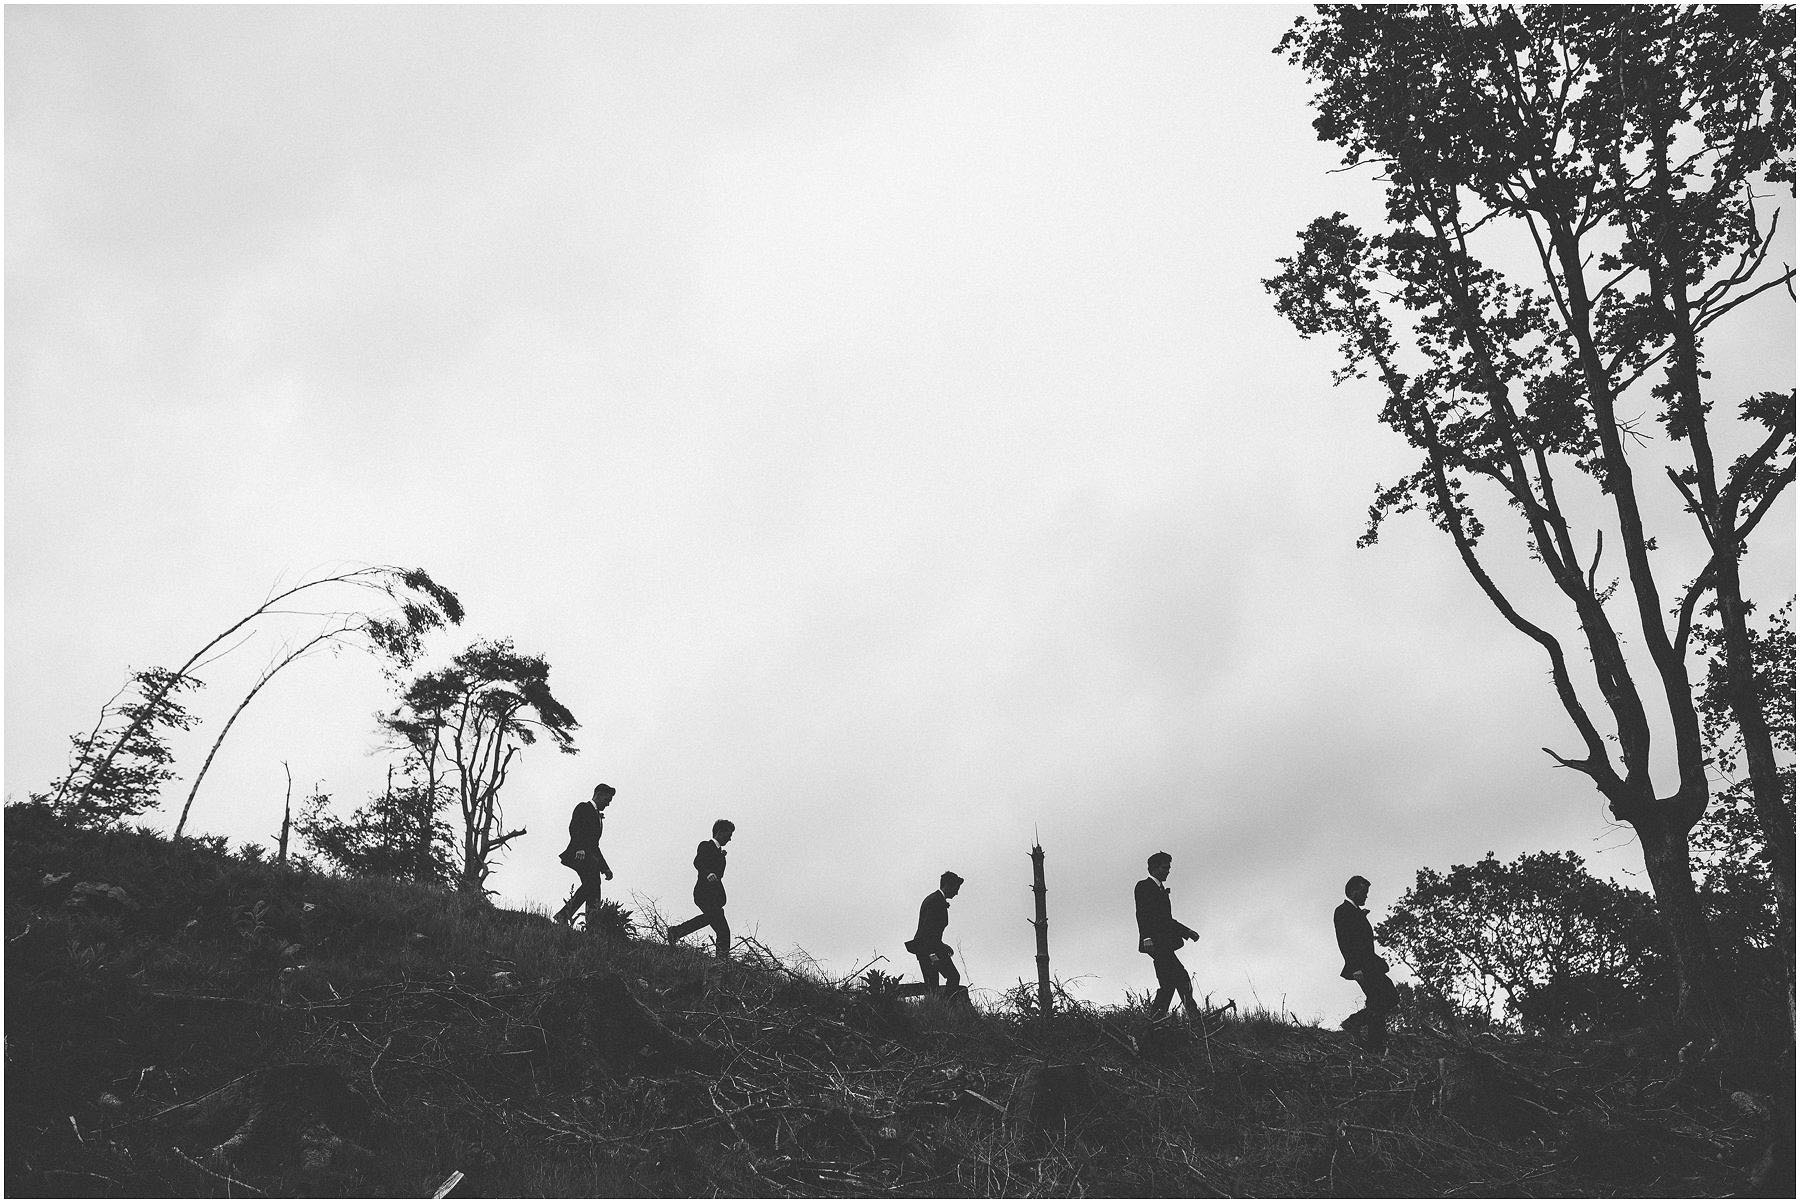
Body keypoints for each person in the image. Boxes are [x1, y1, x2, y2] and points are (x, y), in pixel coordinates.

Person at [1336, 874, 1398, 1054]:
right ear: (1353, 891)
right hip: (1361, 967)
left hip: (1369, 965)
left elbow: (1362, 942)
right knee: (1387, 997)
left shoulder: (1354, 912)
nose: (1366, 896)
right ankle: (1356, 1025)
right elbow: (1345, 941)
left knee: (1378, 1001)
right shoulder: (1342, 911)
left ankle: (1375, 1045)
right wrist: (1355, 968)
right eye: (1363, 892)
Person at [1135, 851, 1201, 1020]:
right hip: (1156, 943)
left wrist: (1186, 932)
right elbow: (1142, 914)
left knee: (1169, 984)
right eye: (1165, 867)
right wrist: (1146, 937)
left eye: (1169, 868)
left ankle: (1156, 1019)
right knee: (1180, 977)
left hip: (1164, 943)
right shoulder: (1143, 886)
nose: (1168, 871)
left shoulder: (1161, 890)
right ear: (1154, 868)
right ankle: (1193, 1017)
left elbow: (1166, 920)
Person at [668, 819, 735, 959]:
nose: (730, 839)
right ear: (720, 832)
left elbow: (720, 875)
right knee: (718, 923)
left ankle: (721, 961)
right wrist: (708, 873)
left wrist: (720, 857)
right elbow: (698, 861)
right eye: (728, 835)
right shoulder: (705, 845)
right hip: (703, 893)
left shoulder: (721, 855)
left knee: (722, 930)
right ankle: (721, 961)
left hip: (714, 898)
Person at [554, 783, 614, 928]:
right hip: (578, 854)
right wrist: (580, 848)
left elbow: (595, 846)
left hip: (590, 858)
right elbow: (575, 827)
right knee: (591, 884)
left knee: (593, 885)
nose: (608, 804)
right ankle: (564, 915)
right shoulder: (583, 807)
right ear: (599, 795)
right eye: (607, 799)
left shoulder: (598, 817)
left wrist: (605, 868)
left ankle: (592, 923)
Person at [903, 871, 965, 997]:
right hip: (930, 950)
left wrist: (941, 946)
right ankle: (948, 1009)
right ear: (948, 885)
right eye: (956, 888)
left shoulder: (935, 899)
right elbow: (928, 931)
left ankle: (939, 1009)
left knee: (933, 986)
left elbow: (931, 931)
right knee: (952, 977)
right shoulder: (935, 901)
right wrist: (935, 952)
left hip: (929, 949)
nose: (957, 893)